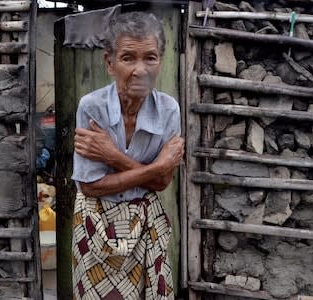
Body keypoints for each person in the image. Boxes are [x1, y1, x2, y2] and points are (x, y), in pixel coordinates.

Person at [71, 11, 184, 300]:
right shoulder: (92, 107)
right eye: (127, 58)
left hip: (145, 226)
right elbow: (90, 186)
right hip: (96, 222)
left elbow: (162, 183)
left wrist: (112, 156)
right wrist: (155, 167)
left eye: (150, 57)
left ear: (160, 61)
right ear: (109, 63)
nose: (140, 70)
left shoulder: (169, 110)